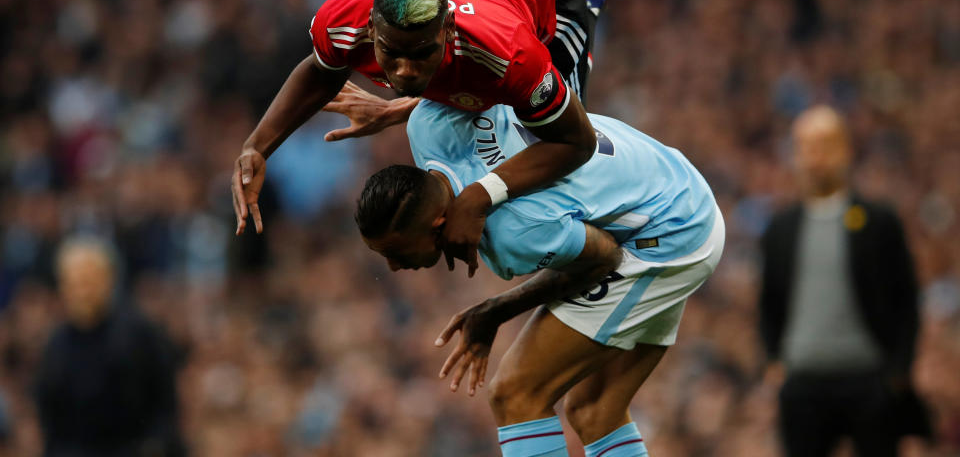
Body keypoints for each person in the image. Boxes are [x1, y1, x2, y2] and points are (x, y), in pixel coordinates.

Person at [232, 0, 609, 277]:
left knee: (571, 104)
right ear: (371, 27)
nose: (405, 70)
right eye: (391, 52)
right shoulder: (345, 15)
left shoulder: (508, 56)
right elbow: (319, 70)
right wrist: (257, 146)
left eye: (422, 52)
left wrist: (478, 196)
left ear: (447, 27)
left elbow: (577, 141)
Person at [354, 98, 725, 456]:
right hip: (670, 176)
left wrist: (495, 310)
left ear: (437, 225)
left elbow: (603, 258)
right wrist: (401, 107)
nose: (394, 267)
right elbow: (484, 80)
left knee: (516, 394)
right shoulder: (426, 125)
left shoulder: (512, 236)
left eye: (396, 253)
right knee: (595, 411)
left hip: (671, 229)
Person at [759, 105, 929, 456]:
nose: (814, 156)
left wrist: (898, 371)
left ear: (846, 149)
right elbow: (769, 302)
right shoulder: (782, 227)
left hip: (868, 380)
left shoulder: (878, 221)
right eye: (804, 146)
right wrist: (773, 361)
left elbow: (906, 300)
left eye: (824, 144)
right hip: (802, 383)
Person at [34, 238, 184, 457]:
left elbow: (164, 404)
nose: (83, 291)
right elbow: (50, 420)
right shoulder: (55, 346)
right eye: (75, 283)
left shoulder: (140, 334)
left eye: (90, 281)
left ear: (109, 280)